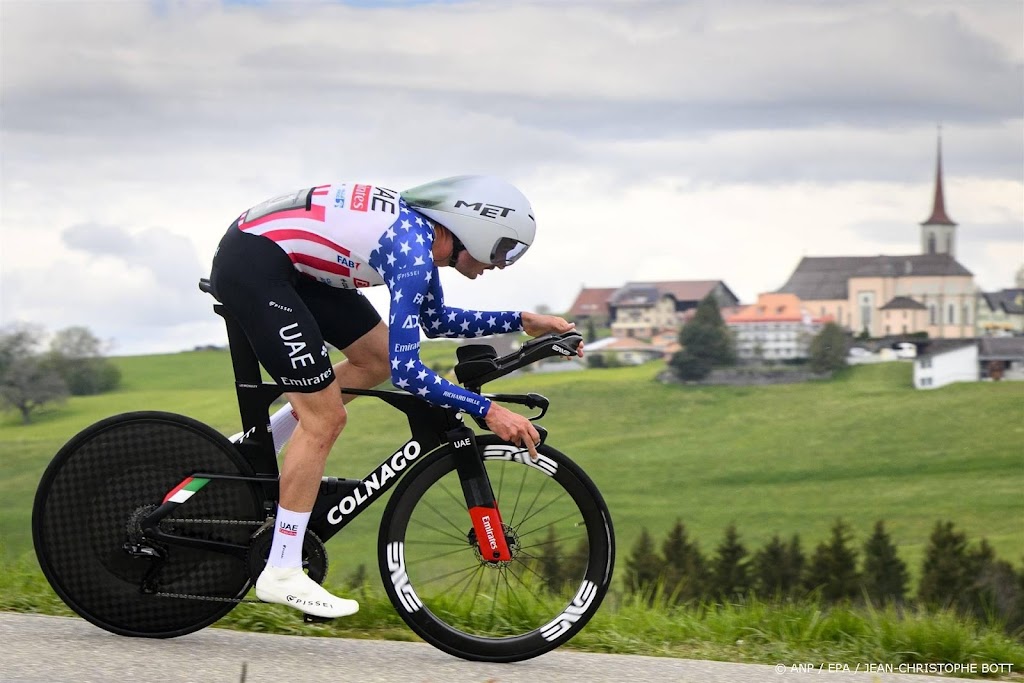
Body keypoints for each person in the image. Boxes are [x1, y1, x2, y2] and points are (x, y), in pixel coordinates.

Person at [209, 175, 582, 619]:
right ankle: (283, 569)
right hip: (255, 267)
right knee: (324, 420)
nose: (502, 264)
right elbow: (411, 373)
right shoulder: (411, 250)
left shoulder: (419, 239)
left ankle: (258, 447)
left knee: (375, 359)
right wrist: (488, 410)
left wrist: (523, 319)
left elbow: (435, 320)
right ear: (473, 226)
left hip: (283, 262)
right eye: (504, 249)